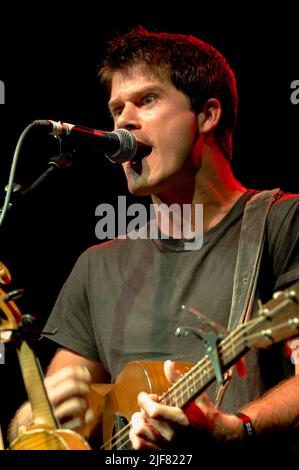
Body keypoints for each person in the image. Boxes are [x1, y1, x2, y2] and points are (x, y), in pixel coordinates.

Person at [8, 26, 299, 452]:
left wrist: (236, 430)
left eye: (147, 100)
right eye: (115, 109)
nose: (123, 121)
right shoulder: (97, 266)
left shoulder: (282, 222)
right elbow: (54, 422)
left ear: (207, 114)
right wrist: (33, 420)